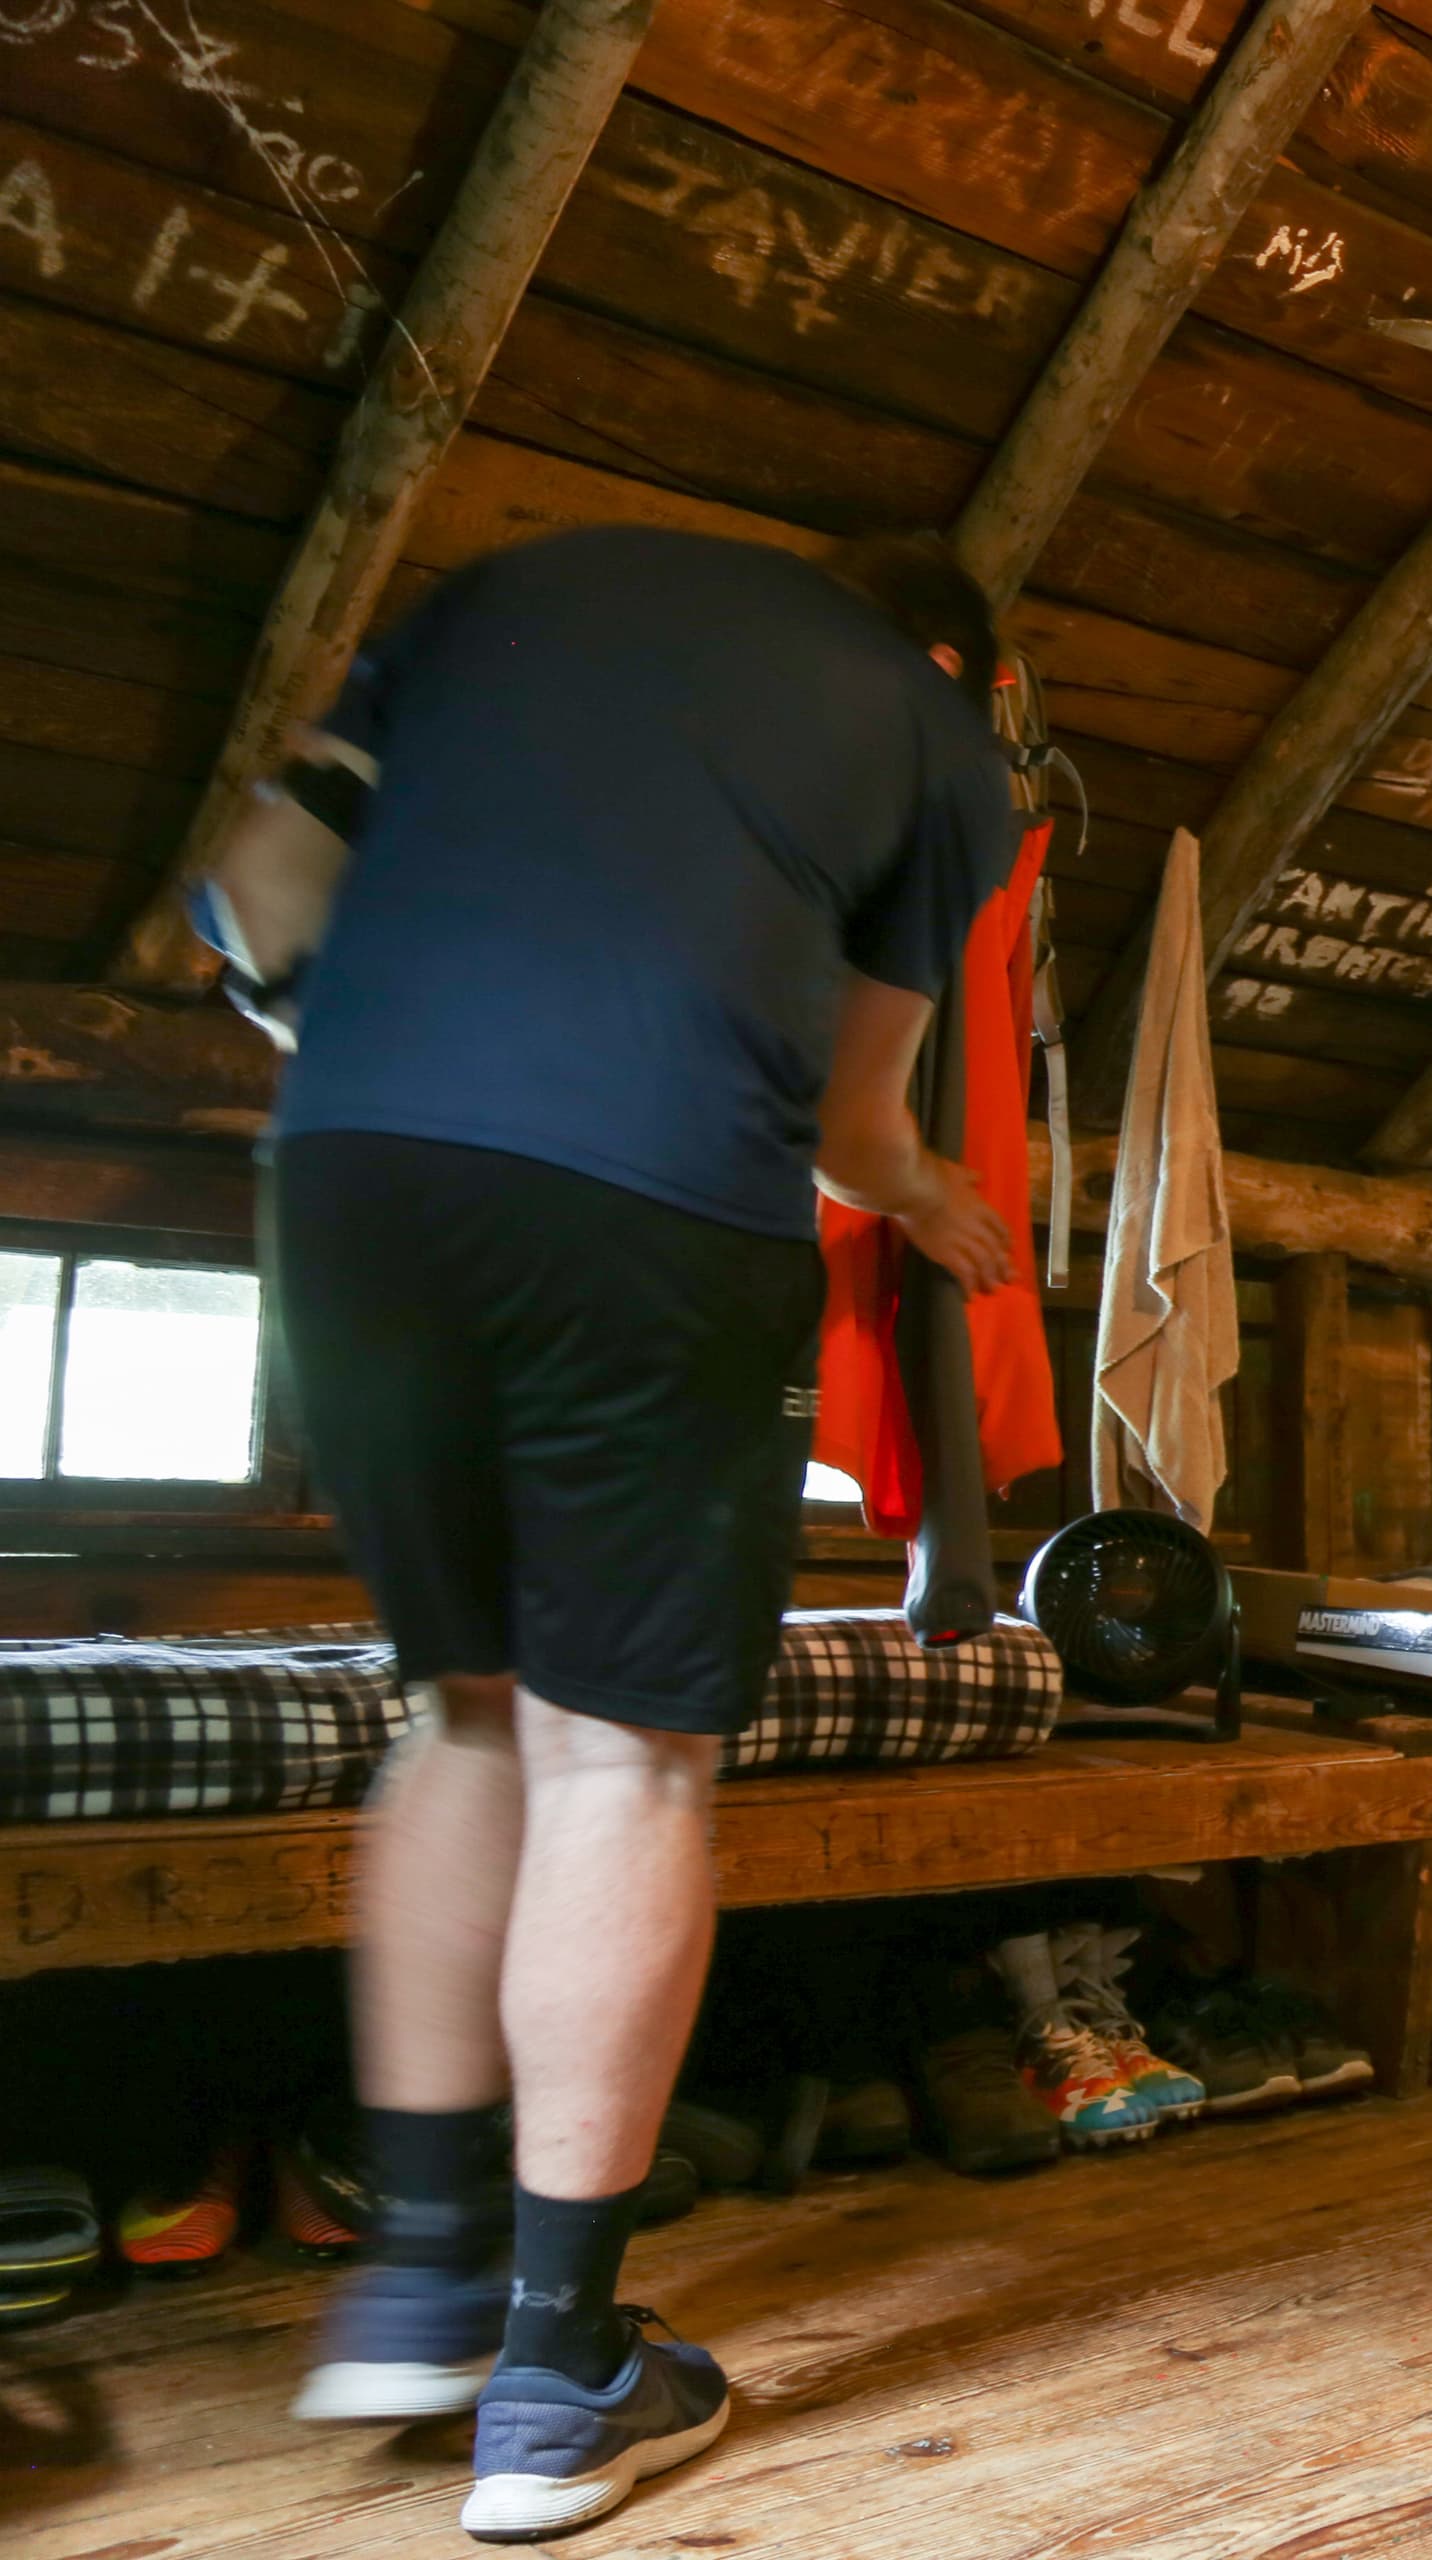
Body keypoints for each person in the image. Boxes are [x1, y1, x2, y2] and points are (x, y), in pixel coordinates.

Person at [253, 525, 1019, 2542]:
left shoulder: (512, 592)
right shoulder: (948, 740)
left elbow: (251, 903)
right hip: (655, 1196)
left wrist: (430, 1094)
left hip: (353, 1165)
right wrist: (926, 1191)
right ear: (966, 660)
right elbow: (858, 1122)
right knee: (623, 1753)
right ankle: (561, 2365)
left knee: (469, 1712)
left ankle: (414, 2272)